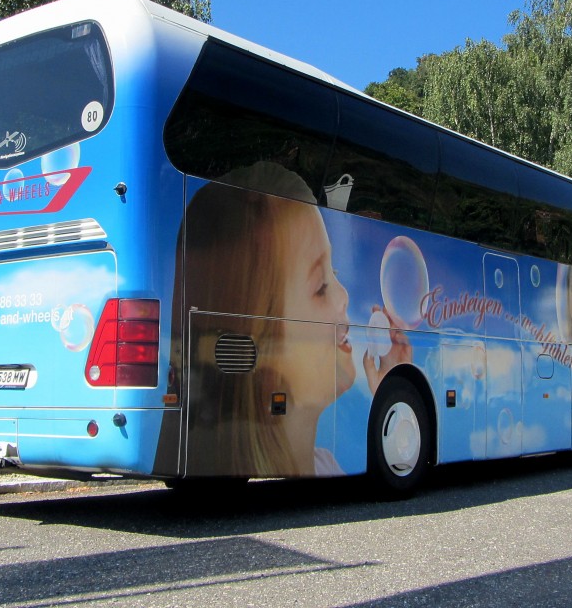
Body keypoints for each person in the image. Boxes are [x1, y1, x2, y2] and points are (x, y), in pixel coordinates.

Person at [163, 162, 409, 478]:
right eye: (321, 286)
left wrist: (388, 389)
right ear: (259, 335)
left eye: (333, 273)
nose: (344, 295)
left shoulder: (324, 464)